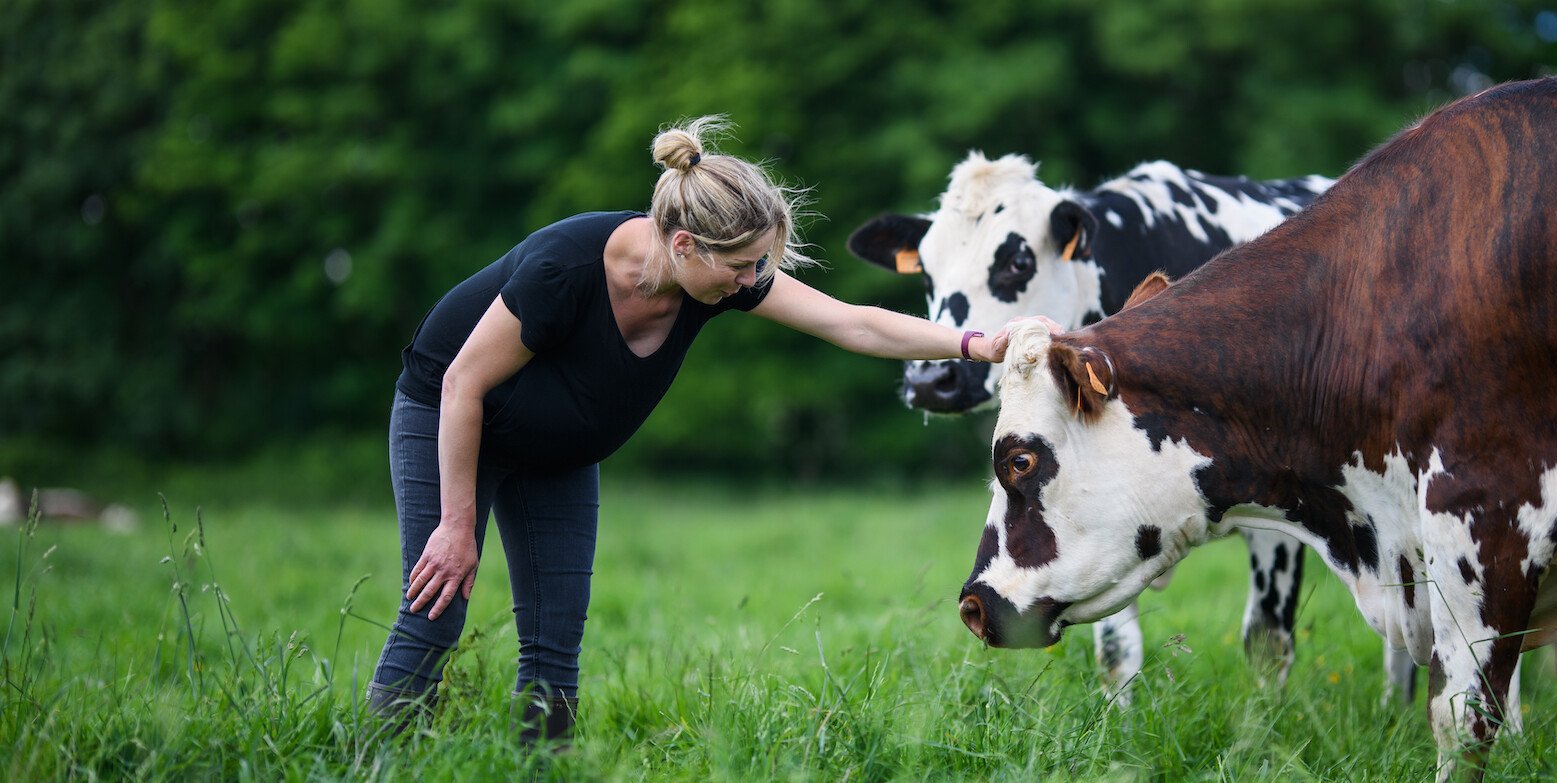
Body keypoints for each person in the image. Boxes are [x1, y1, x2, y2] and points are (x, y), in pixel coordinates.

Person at [368, 116, 1048, 745]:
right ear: (685, 244)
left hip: (560, 451)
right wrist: (455, 528)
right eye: (740, 267)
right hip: (454, 420)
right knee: (437, 610)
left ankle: (537, 778)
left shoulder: (715, 276)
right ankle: (379, 770)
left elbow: (852, 322)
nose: (752, 282)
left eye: (761, 265)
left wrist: (974, 344)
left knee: (553, 644)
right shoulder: (565, 268)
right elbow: (461, 384)